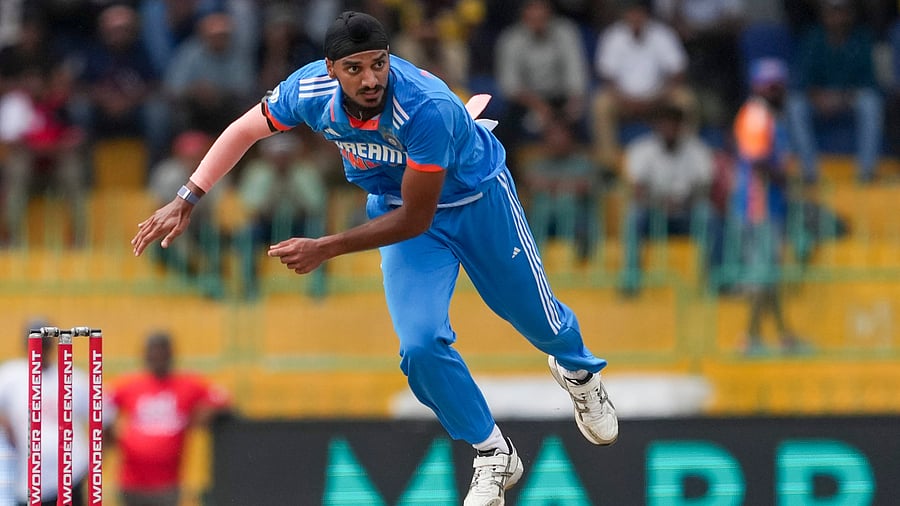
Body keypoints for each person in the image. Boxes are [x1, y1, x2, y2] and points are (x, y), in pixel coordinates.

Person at [131, 11, 618, 505]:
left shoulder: (424, 107)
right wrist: (187, 197)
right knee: (419, 347)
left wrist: (327, 246)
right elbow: (243, 130)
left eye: (378, 64)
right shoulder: (309, 90)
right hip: (396, 206)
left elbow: (416, 218)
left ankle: (579, 372)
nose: (370, 80)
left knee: (537, 321)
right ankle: (492, 451)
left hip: (475, 202)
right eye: (355, 68)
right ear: (330, 70)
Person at [730, 58, 807, 355]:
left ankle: (784, 335)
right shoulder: (755, 115)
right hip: (756, 207)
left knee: (769, 273)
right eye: (771, 86)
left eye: (779, 86)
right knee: (762, 274)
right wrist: (787, 180)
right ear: (759, 88)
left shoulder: (771, 117)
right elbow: (758, 160)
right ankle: (749, 338)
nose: (777, 91)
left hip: (768, 206)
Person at [108, 331, 231, 506]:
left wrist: (199, 417)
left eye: (161, 352)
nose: (157, 357)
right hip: (131, 480)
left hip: (168, 482)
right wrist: (111, 432)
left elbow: (223, 398)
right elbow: (100, 403)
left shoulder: (187, 384)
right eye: (153, 352)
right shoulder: (131, 384)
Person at [619, 102, 714, 296]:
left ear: (682, 126)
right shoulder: (642, 149)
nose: (669, 129)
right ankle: (631, 280)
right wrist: (661, 203)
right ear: (657, 125)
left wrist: (682, 203)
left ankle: (713, 281)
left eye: (674, 124)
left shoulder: (697, 150)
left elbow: (705, 188)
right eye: (665, 124)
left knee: (707, 215)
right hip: (654, 213)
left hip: (686, 213)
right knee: (635, 215)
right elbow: (638, 190)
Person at [592, 0, 697, 172]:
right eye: (631, 13)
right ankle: (608, 164)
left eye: (639, 13)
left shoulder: (662, 34)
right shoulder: (613, 36)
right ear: (624, 15)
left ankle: (686, 156)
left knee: (685, 100)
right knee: (601, 104)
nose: (635, 17)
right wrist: (625, 100)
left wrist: (659, 98)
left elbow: (678, 73)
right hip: (624, 100)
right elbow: (606, 78)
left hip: (659, 99)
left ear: (647, 14)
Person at [0, 319, 97, 506]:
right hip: (25, 479)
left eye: (44, 343)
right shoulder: (9, 376)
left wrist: (92, 462)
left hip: (71, 478)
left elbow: (102, 419)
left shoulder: (74, 378)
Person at [785, 0, 883, 184]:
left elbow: (869, 81)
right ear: (824, 15)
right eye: (832, 12)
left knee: (871, 102)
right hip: (819, 99)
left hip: (849, 98)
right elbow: (803, 81)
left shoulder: (861, 38)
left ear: (850, 14)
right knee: (794, 105)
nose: (837, 18)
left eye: (842, 12)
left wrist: (842, 98)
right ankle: (809, 173)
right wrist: (818, 97)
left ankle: (866, 171)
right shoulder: (813, 38)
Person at [235, 132, 328, 299]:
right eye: (277, 155)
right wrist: (272, 188)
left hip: (299, 224)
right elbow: (251, 207)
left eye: (285, 155)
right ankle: (250, 289)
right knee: (247, 235)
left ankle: (318, 287)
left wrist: (293, 186)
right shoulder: (257, 173)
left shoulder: (305, 172)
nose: (281, 159)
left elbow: (315, 205)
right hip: (266, 225)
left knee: (318, 232)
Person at [148, 130, 225, 298]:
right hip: (171, 228)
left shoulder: (216, 172)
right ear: (179, 156)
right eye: (189, 156)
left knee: (217, 242)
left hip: (201, 225)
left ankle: (213, 282)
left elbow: (218, 209)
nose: (193, 161)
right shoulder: (167, 174)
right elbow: (160, 209)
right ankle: (197, 282)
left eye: (197, 156)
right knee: (166, 248)